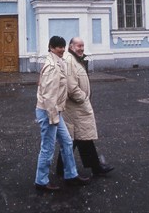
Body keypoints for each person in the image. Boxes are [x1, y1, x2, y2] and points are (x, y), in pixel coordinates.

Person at [34, 36, 90, 192]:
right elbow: (48, 96)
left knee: (67, 142)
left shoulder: (58, 62)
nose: (63, 49)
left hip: (54, 111)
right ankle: (41, 181)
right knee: (48, 147)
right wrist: (53, 117)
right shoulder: (52, 67)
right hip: (48, 112)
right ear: (51, 47)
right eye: (59, 47)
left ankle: (71, 175)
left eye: (63, 46)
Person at [56, 37, 114, 177]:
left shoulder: (75, 59)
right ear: (71, 46)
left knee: (81, 137)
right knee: (75, 138)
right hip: (75, 107)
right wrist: (83, 99)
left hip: (77, 108)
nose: (81, 48)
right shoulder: (70, 61)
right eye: (78, 46)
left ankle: (93, 167)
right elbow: (71, 87)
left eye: (82, 46)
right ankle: (66, 168)